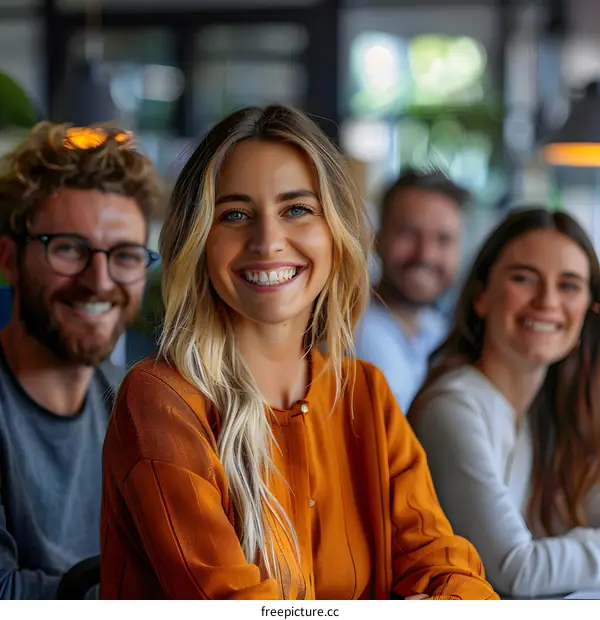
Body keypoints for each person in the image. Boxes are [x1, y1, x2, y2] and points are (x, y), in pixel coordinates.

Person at [100, 105, 498, 600]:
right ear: (200, 240)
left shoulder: (365, 393)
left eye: (297, 209)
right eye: (236, 214)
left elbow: (454, 574)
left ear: (336, 231)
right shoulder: (162, 400)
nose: (268, 241)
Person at [0, 123, 163, 599]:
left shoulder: (132, 406)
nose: (99, 281)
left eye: (125, 256)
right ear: (9, 259)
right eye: (69, 249)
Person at [408, 208, 600, 599]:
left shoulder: (540, 412)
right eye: (524, 278)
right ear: (482, 295)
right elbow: (513, 570)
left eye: (569, 285)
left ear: (588, 310)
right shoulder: (453, 407)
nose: (547, 301)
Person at [354, 169, 468, 413]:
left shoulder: (435, 328)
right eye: (408, 233)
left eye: (444, 239)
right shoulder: (353, 335)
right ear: (377, 239)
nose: (426, 254)